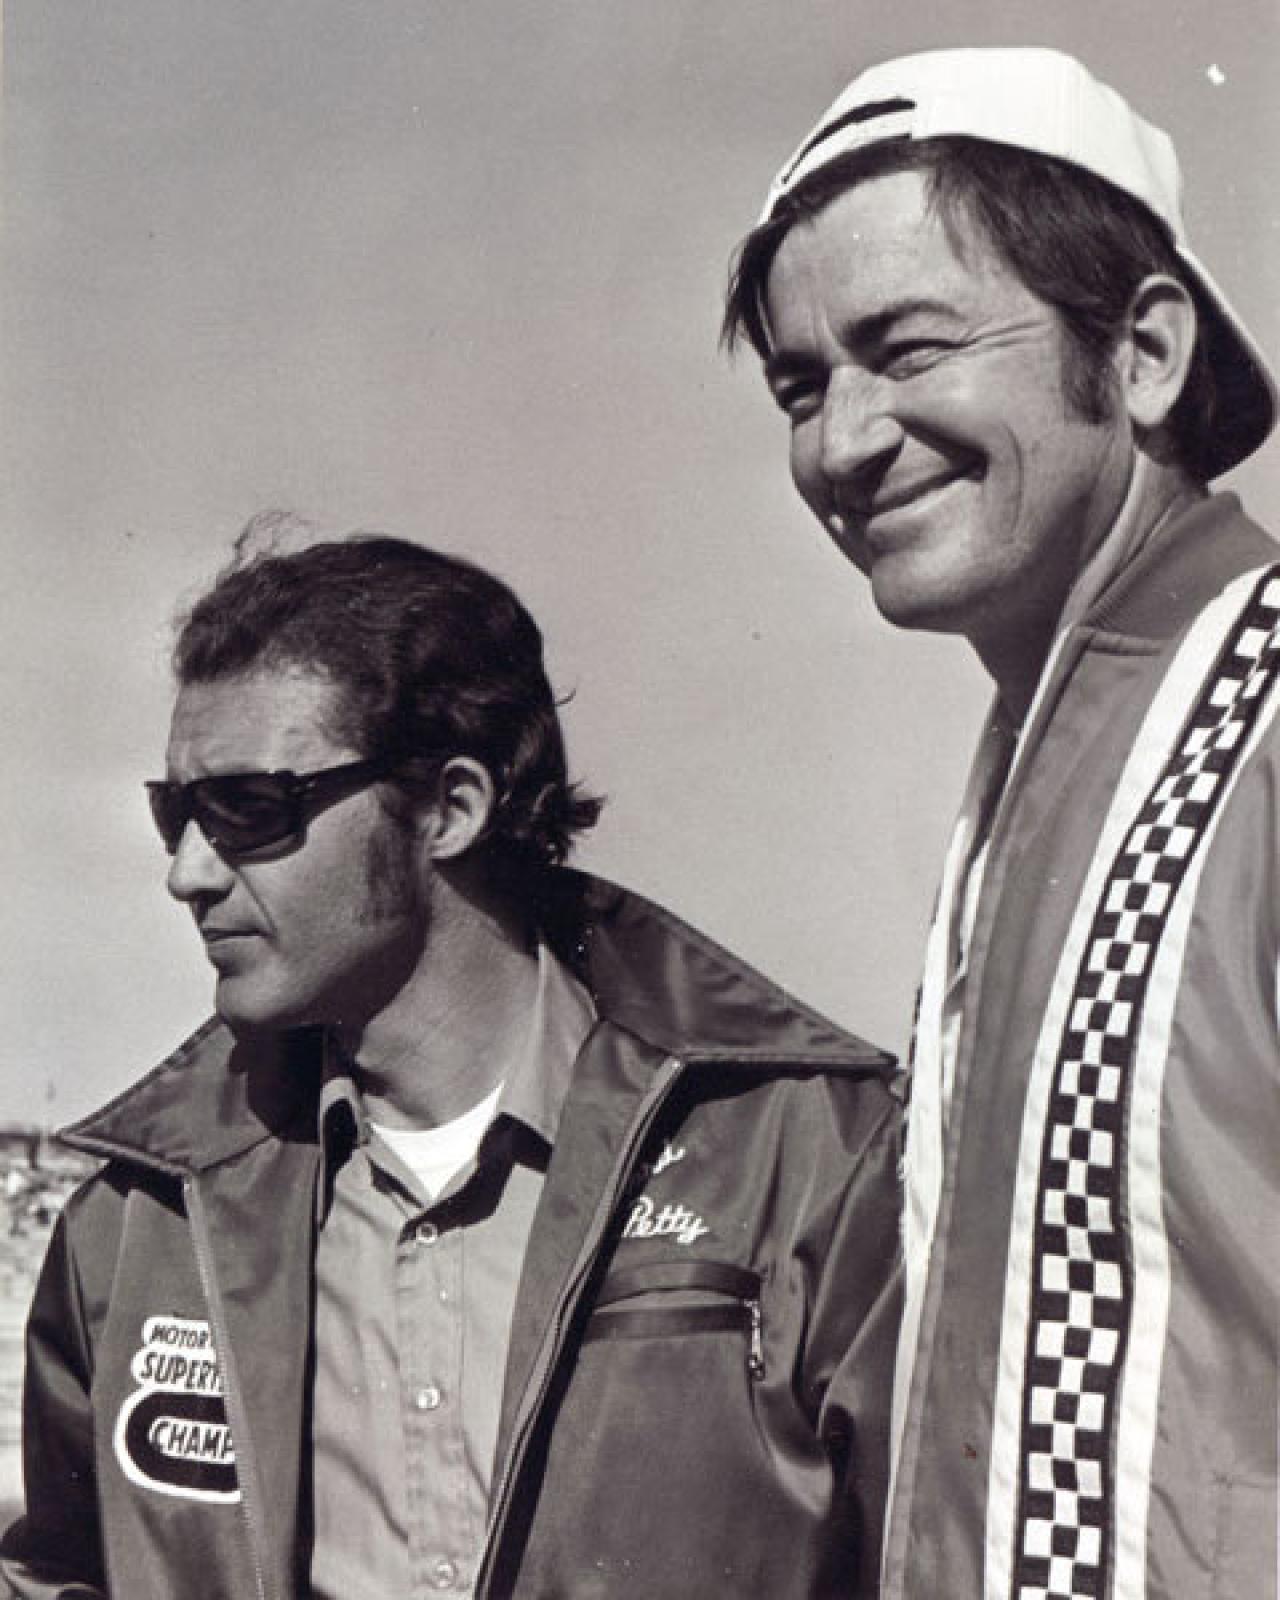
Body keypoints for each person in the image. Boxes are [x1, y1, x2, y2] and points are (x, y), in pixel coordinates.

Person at [0, 531, 900, 1599]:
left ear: (449, 809)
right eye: (177, 813)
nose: (187, 872)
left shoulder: (808, 1165)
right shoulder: (141, 1222)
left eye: (246, 808)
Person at [723, 45, 1278, 1600]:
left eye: (910, 347)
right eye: (801, 386)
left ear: (1144, 353)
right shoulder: (1029, 774)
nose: (842, 442)